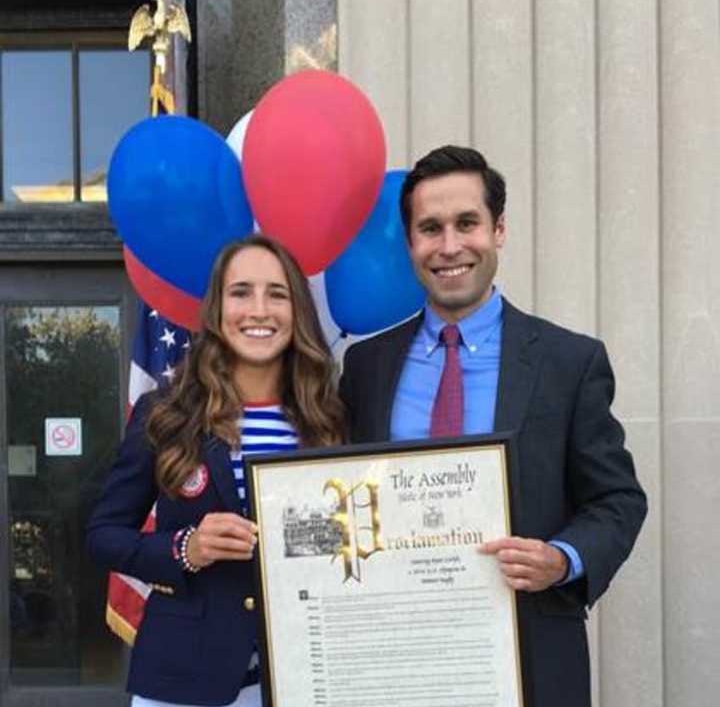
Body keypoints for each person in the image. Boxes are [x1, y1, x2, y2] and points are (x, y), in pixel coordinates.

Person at [339, 145, 647, 707]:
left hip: (528, 658)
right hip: (392, 661)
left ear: (498, 230)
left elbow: (618, 500)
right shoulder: (366, 368)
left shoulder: (568, 362)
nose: (450, 246)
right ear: (410, 243)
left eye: (467, 224)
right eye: (430, 229)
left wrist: (563, 559)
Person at [87, 234, 345, 707]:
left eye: (277, 293)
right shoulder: (165, 412)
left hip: (307, 674)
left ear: (298, 311)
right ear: (217, 309)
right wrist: (187, 548)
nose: (259, 310)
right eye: (241, 292)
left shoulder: (330, 417)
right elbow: (104, 534)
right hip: (185, 678)